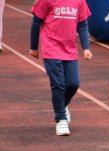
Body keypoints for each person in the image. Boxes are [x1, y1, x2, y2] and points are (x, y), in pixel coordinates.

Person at [29, 0, 93, 136]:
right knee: (58, 84)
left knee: (73, 84)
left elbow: (82, 25)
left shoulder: (79, 1)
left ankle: (62, 106)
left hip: (70, 49)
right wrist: (33, 47)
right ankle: (61, 120)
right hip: (51, 47)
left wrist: (86, 47)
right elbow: (36, 22)